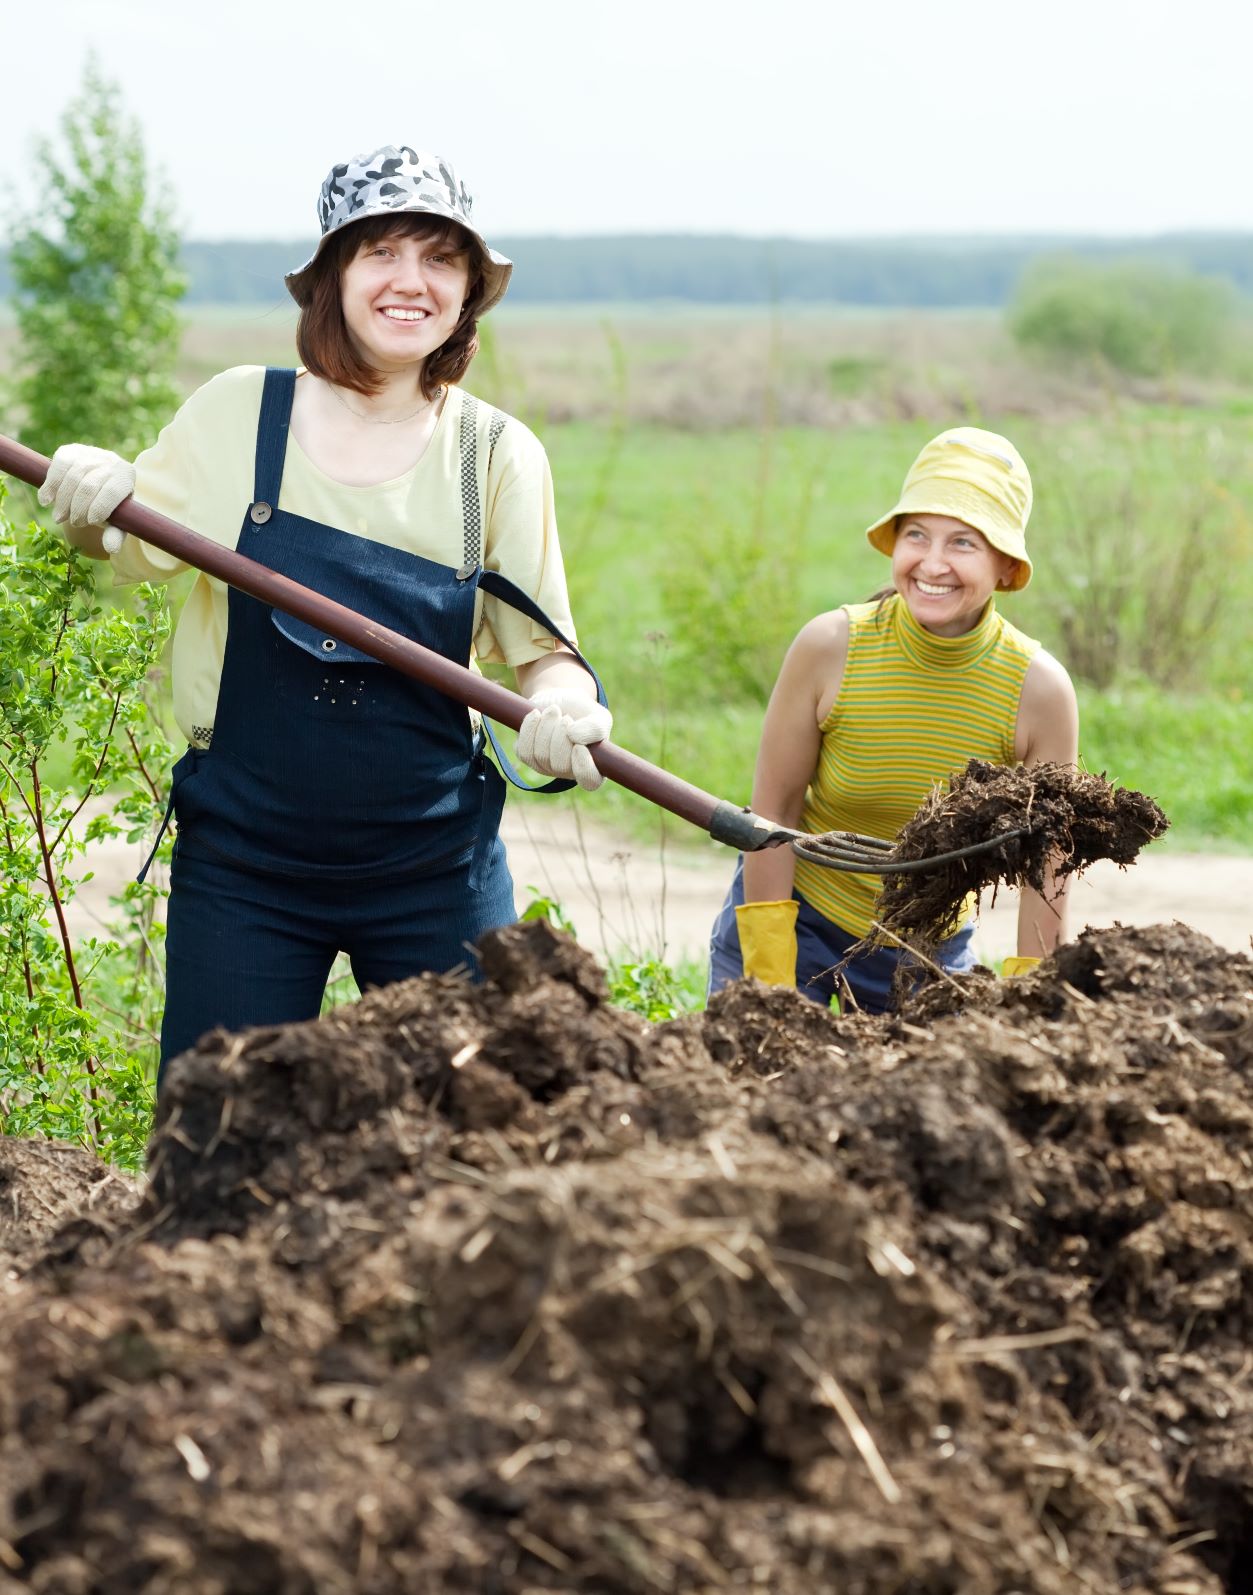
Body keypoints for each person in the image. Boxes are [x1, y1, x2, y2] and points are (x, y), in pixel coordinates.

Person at [38, 144, 611, 1082]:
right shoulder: (239, 414)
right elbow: (121, 545)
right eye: (379, 252)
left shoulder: (495, 455)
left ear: (468, 289)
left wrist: (569, 705)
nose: (409, 282)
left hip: (435, 865)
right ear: (333, 277)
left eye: (439, 258)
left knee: (482, 1136)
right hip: (246, 867)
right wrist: (97, 489)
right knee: (222, 1137)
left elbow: (543, 653)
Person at [708, 426, 1079, 1011]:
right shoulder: (831, 647)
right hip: (795, 912)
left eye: (963, 543)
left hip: (923, 952)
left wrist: (1037, 997)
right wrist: (770, 972)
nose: (933, 563)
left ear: (1006, 566)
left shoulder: (1039, 690)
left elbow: (1047, 867)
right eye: (917, 536)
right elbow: (773, 814)